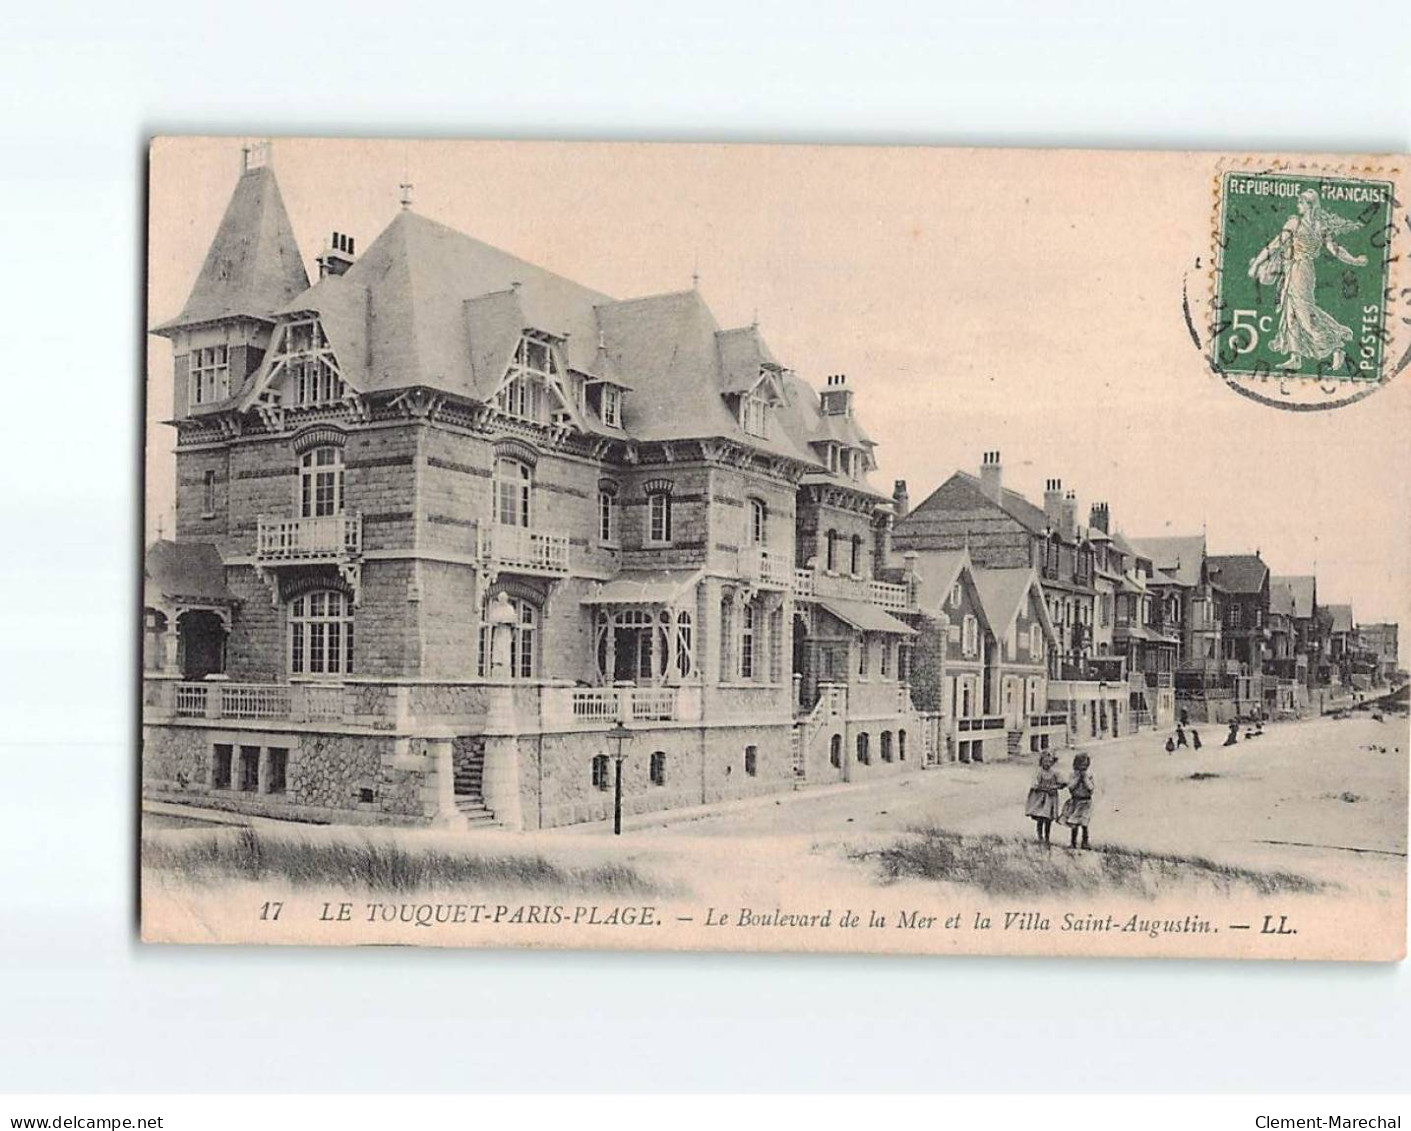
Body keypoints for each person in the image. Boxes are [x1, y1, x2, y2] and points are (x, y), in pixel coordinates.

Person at [1247, 188, 1367, 373]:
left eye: (1301, 202)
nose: (1298, 206)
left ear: (1309, 205)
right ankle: (1295, 357)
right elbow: (1336, 250)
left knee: (1304, 314)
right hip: (1299, 270)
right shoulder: (1318, 226)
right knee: (1291, 313)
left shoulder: (1296, 223)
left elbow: (1275, 245)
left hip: (1299, 271)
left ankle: (1335, 347)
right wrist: (1355, 260)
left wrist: (1256, 264)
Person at [1025, 751, 1063, 844]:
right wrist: (1042, 788)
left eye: (1050, 762)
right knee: (1040, 817)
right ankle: (1040, 837)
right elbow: (1035, 784)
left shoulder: (1054, 773)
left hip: (1050, 799)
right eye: (1045, 761)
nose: (1047, 764)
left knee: (1048, 819)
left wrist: (1055, 787)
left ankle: (1047, 837)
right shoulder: (1039, 773)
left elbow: (1062, 783)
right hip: (1041, 799)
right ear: (1041, 762)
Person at [1059, 752, 1094, 849]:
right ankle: (1073, 842)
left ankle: (1085, 842)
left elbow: (1091, 789)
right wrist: (1078, 779)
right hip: (1075, 801)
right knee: (1074, 823)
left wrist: (1085, 778)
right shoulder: (1073, 775)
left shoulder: (1089, 775)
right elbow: (1071, 787)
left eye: (1085, 765)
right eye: (1081, 765)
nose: (1083, 768)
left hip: (1086, 802)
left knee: (1084, 823)